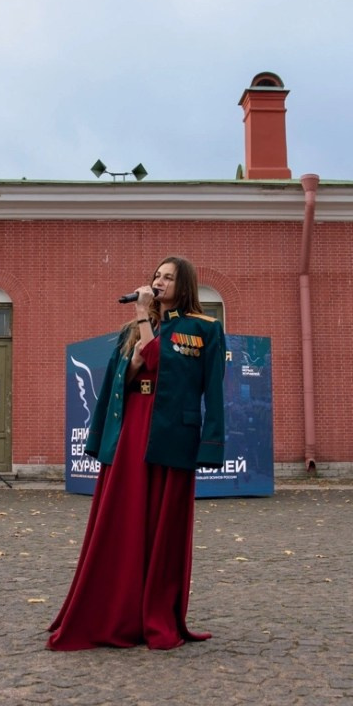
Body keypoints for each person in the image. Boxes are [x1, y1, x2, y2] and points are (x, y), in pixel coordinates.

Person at [48, 255, 226, 651]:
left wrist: (212, 443)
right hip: (132, 430)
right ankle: (116, 608)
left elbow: (195, 382)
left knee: (163, 528)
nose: (159, 282)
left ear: (185, 286)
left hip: (171, 436)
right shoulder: (132, 329)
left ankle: (156, 611)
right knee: (123, 519)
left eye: (168, 277)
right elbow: (120, 380)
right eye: (156, 276)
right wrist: (133, 360)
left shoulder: (203, 329)